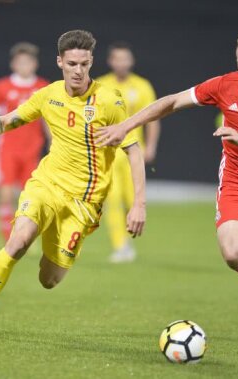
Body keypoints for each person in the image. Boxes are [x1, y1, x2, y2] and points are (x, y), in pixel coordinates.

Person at [96, 27, 238, 356]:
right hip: (237, 187)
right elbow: (172, 102)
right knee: (233, 254)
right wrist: (126, 125)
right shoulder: (224, 84)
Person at [0, 30, 146, 336]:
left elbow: (133, 150)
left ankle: (51, 238)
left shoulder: (110, 101)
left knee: (49, 279)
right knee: (17, 242)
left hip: (84, 204)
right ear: (60, 62)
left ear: (91, 62)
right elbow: (8, 120)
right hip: (46, 185)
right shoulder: (49, 94)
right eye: (71, 63)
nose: (78, 70)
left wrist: (139, 203)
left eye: (84, 64)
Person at [0, 42, 49, 241]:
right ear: (13, 64)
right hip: (7, 149)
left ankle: (25, 236)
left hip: (32, 150)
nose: (24, 66)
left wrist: (54, 144)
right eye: (20, 62)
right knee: (6, 195)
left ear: (35, 64)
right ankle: (9, 240)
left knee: (29, 198)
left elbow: (49, 120)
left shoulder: (43, 87)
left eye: (28, 62)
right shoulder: (2, 86)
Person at [97, 41, 161, 263]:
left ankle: (127, 240)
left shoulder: (142, 86)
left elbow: (153, 119)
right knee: (111, 199)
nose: (121, 63)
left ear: (131, 61)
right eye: (117, 58)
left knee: (131, 200)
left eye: (125, 58)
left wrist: (151, 146)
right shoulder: (101, 85)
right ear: (110, 61)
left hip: (134, 152)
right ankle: (120, 246)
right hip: (109, 153)